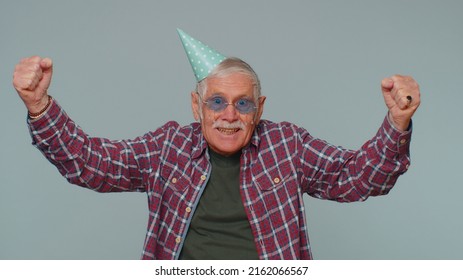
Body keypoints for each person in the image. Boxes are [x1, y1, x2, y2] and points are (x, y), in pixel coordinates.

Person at [12, 30, 420, 260]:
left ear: (258, 109)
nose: (229, 116)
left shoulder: (286, 144)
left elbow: (357, 179)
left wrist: (397, 121)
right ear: (197, 106)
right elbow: (92, 164)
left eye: (242, 104)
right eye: (217, 102)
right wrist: (39, 105)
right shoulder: (166, 147)